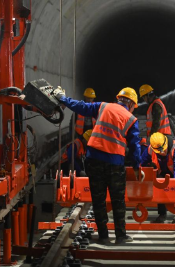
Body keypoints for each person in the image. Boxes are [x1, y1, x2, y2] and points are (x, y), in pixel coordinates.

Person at [53, 86, 144, 244]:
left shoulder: (103, 106)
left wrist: (62, 98)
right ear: (130, 104)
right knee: (117, 200)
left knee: (98, 200)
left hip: (93, 159)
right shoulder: (131, 119)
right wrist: (137, 167)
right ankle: (120, 236)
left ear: (119, 99)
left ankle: (103, 236)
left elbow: (80, 106)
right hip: (114, 163)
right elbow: (135, 146)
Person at [141, 132, 175, 223]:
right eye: (159, 151)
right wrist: (136, 172)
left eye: (163, 150)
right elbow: (141, 162)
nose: (162, 153)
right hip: (166, 168)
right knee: (160, 186)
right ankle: (162, 214)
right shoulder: (151, 149)